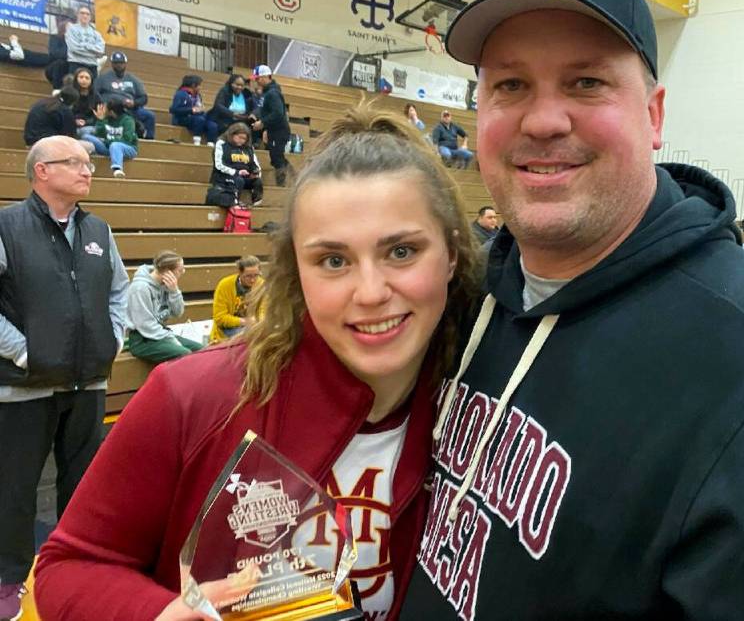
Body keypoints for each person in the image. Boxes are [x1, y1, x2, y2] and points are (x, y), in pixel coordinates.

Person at [400, 0, 744, 618]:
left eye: (586, 82)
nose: (544, 120)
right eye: (510, 85)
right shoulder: (463, 300)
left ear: (654, 115)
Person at [34, 105, 482, 621]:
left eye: (401, 252)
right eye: (333, 260)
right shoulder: (192, 395)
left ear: (451, 253)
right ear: (297, 270)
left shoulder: (492, 408)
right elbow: (68, 566)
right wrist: (159, 615)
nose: (370, 292)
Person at [0, 136, 128, 621]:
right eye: (75, 162)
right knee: (15, 490)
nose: (88, 170)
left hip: (88, 382)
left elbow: (118, 290)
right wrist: (26, 352)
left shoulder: (98, 229)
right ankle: (8, 579)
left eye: (89, 163)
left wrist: (111, 339)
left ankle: (77, 569)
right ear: (42, 171)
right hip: (24, 387)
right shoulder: (7, 226)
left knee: (84, 487)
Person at [124, 250, 203, 364]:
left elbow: (178, 313)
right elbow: (146, 325)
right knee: (184, 354)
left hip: (160, 333)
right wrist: (172, 340)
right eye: (180, 270)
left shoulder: (166, 285)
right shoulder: (140, 289)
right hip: (142, 340)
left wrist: (174, 291)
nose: (183, 272)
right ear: (167, 272)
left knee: (201, 350)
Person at [96, 52, 157, 140]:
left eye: (121, 63)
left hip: (129, 109)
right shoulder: (103, 78)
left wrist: (134, 103)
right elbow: (95, 93)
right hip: (110, 108)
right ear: (112, 64)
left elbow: (143, 98)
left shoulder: (133, 79)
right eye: (116, 63)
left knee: (150, 116)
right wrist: (105, 105)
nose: (119, 65)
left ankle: (148, 140)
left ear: (125, 64)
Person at [250, 64, 292, 186]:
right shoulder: (269, 92)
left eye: (257, 78)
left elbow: (278, 113)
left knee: (276, 157)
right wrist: (266, 129)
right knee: (276, 156)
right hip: (274, 129)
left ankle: (282, 183)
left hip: (279, 130)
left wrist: (263, 123)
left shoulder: (272, 93)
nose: (256, 81)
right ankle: (294, 177)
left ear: (265, 77)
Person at [208, 255, 263, 344]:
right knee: (248, 338)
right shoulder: (225, 285)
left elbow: (264, 312)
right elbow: (219, 318)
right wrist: (245, 321)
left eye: (256, 275)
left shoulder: (261, 284)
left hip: (253, 326)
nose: (253, 280)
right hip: (228, 329)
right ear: (239, 272)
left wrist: (257, 321)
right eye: (248, 276)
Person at [23, 87, 93, 155]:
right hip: (46, 146)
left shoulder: (42, 102)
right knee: (90, 147)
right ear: (73, 102)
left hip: (30, 142)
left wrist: (73, 122)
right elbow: (70, 137)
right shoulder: (64, 110)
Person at [208, 122, 264, 207]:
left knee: (257, 181)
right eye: (239, 137)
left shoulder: (249, 148)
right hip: (225, 176)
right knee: (238, 180)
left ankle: (256, 203)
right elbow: (219, 165)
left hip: (244, 176)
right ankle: (234, 201)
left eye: (244, 138)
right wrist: (236, 172)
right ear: (232, 134)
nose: (241, 140)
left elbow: (255, 164)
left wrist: (255, 173)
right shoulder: (222, 144)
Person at [81, 97, 137, 178]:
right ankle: (85, 162)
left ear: (111, 112)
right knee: (86, 136)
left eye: (105, 108)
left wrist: (107, 141)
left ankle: (117, 169)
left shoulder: (128, 121)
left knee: (115, 145)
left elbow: (127, 139)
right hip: (108, 147)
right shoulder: (106, 119)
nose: (103, 110)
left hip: (127, 148)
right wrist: (101, 120)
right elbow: (99, 134)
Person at [169, 74, 218, 145]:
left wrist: (201, 110)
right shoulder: (180, 94)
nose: (201, 88)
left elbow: (198, 107)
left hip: (197, 118)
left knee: (213, 125)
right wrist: (192, 110)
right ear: (193, 85)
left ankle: (210, 144)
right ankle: (196, 142)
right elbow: (173, 109)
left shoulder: (198, 95)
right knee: (199, 120)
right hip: (182, 118)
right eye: (199, 85)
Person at [64, 5, 106, 82]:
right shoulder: (71, 29)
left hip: (92, 65)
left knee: (93, 88)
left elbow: (101, 51)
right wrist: (93, 52)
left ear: (90, 17)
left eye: (87, 14)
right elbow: (74, 48)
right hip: (76, 63)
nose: (85, 16)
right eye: (82, 13)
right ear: (77, 15)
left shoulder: (96, 33)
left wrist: (85, 46)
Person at [68, 68, 100, 138]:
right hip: (71, 124)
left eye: (87, 78)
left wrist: (86, 122)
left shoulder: (96, 96)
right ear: (76, 79)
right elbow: (65, 112)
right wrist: (74, 121)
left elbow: (98, 116)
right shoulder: (69, 93)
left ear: (91, 81)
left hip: (89, 126)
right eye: (81, 77)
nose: (84, 80)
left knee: (86, 132)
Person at [45, 18, 71, 91]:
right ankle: (57, 90)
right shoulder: (55, 38)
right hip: (55, 67)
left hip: (71, 65)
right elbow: (55, 54)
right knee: (60, 64)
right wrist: (68, 41)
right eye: (70, 28)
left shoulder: (77, 42)